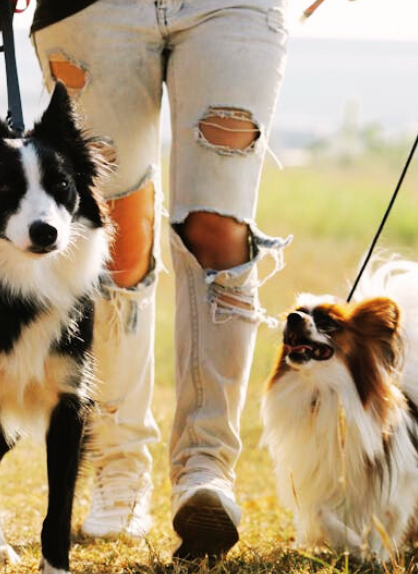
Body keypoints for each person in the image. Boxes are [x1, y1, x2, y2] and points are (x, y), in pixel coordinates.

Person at [29, 0, 291, 560]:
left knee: (220, 227)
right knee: (114, 237)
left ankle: (206, 469)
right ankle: (118, 465)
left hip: (232, 9)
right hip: (88, 11)